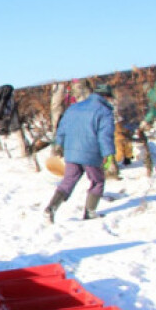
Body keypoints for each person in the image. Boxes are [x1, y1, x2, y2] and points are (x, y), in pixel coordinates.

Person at [43, 84, 116, 223]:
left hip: (71, 152)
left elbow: (62, 128)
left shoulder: (74, 107)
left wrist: (59, 144)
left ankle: (51, 208)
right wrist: (109, 154)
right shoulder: (104, 111)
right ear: (106, 97)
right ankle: (90, 212)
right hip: (91, 152)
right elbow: (105, 135)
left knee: (68, 181)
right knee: (97, 181)